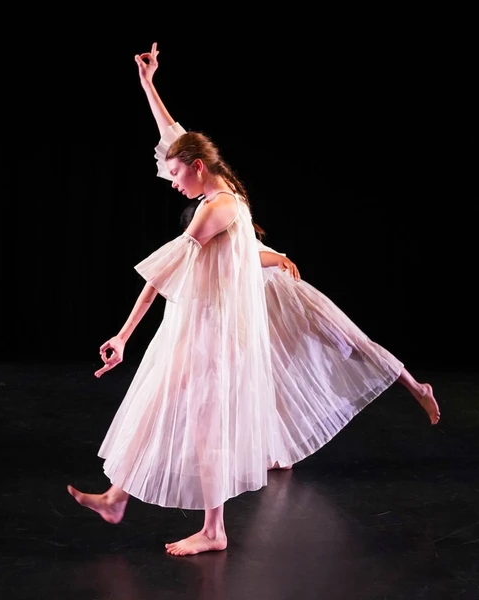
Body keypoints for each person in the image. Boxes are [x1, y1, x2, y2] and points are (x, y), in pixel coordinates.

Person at [67, 43, 440, 557]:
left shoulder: (214, 210)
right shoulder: (223, 194)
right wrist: (148, 84)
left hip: (216, 329)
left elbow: (158, 276)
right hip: (201, 323)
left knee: (215, 417)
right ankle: (116, 498)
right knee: (159, 403)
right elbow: (174, 136)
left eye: (176, 175)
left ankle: (213, 528)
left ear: (198, 168)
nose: (172, 182)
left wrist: (123, 335)